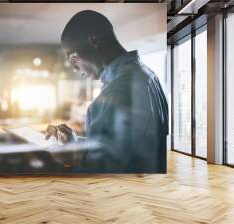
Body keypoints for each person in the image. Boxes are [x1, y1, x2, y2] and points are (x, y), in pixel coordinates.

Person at [45, 10, 169, 173]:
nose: (74, 67)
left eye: (73, 58)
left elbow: (102, 171)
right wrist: (75, 143)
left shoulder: (116, 93)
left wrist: (72, 156)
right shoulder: (148, 75)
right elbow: (122, 149)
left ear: (94, 41)